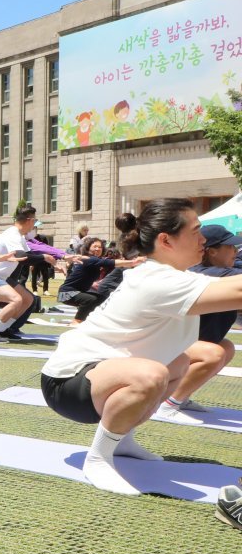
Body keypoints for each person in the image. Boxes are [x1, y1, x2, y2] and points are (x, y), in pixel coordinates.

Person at [39, 198, 242, 496]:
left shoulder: (170, 274)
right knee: (152, 374)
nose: (203, 240)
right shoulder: (158, 279)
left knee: (179, 363)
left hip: (96, 377)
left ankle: (122, 439)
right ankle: (98, 458)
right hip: (66, 385)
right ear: (165, 240)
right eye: (196, 231)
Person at [158, 224, 242, 418]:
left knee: (225, 347)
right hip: (162, 349)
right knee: (214, 353)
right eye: (229, 247)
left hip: (179, 348)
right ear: (211, 251)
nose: (235, 251)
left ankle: (181, 396)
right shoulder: (206, 274)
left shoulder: (219, 271)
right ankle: (168, 405)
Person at [0, 206, 75, 343]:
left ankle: (5, 329)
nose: (34, 225)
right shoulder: (12, 234)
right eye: (35, 221)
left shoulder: (19, 236)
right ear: (30, 220)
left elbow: (32, 254)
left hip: (2, 277)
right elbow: (22, 256)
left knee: (28, 299)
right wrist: (46, 258)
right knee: (16, 299)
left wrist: (54, 260)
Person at [57, 238, 142, 323]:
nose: (98, 249)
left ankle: (91, 320)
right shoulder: (90, 259)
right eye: (95, 246)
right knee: (91, 299)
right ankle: (77, 321)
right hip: (66, 293)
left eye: (100, 247)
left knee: (103, 298)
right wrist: (133, 262)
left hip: (78, 292)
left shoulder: (94, 261)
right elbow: (111, 263)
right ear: (88, 248)